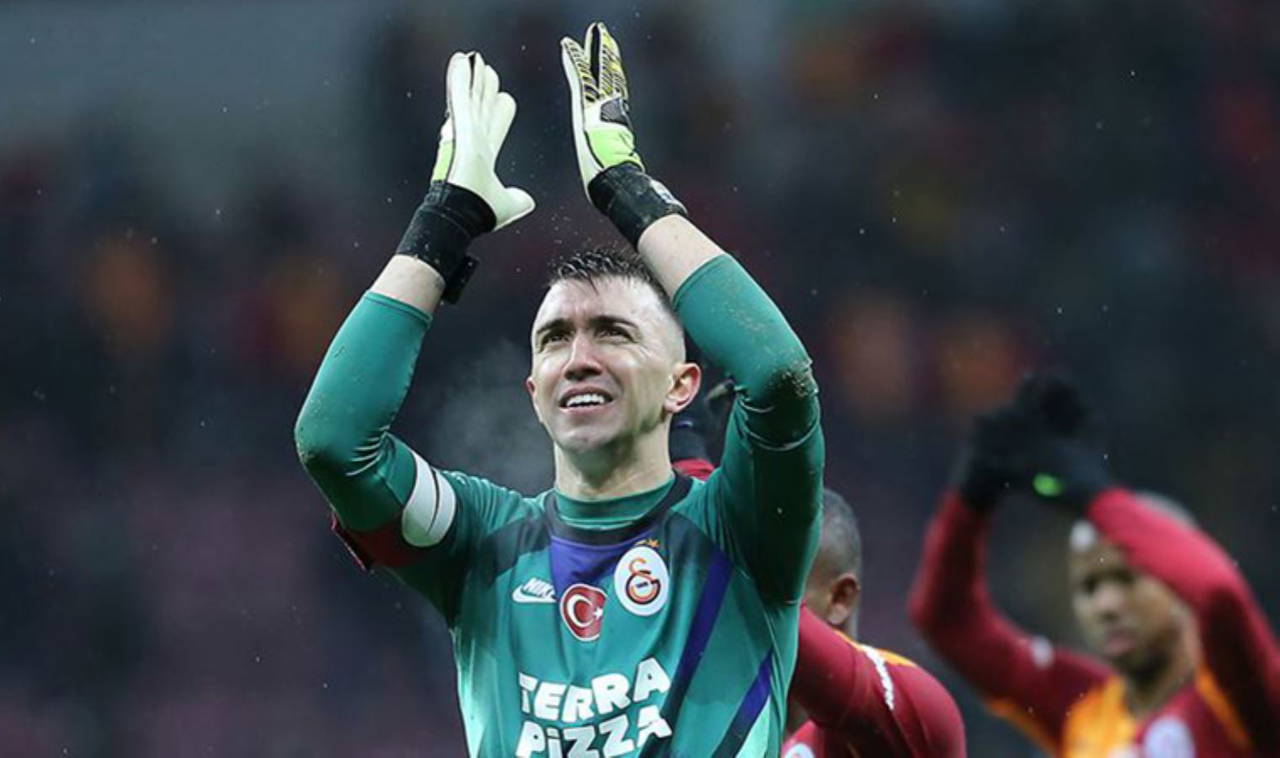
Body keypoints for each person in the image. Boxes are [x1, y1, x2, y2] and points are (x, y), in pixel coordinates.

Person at [293, 23, 824, 756]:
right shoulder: (481, 544)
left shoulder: (737, 530)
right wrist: (443, 222)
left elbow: (779, 377)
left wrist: (628, 191)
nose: (579, 358)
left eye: (613, 332)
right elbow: (334, 442)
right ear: (533, 390)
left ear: (682, 386)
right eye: (554, 339)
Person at [909, 372, 1280, 757]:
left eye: (1126, 579)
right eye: (1089, 587)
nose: (1106, 605)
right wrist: (971, 500)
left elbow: (1218, 594)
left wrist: (1096, 497)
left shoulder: (1240, 696)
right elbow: (947, 622)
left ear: (1178, 580)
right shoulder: (1079, 705)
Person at [669, 387, 966, 757]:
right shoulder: (710, 725)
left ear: (839, 598)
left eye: (785, 586)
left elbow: (739, 576)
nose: (746, 601)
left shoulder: (915, 707)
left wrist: (686, 452)